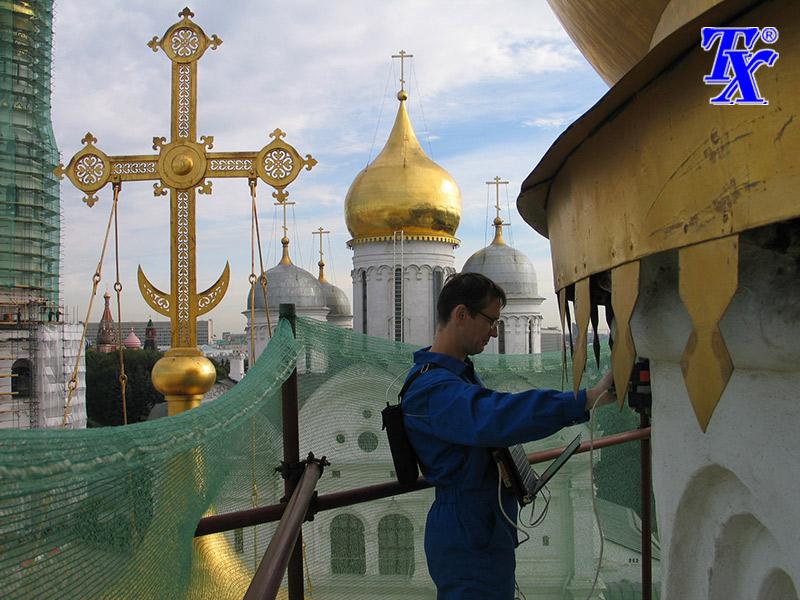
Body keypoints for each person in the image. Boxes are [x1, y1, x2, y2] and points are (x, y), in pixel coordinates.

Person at [402, 272, 616, 599]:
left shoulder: (453, 377)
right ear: (461, 315)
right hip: (467, 532)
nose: (494, 332)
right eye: (490, 321)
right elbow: (499, 415)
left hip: (481, 525)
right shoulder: (434, 390)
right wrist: (583, 399)